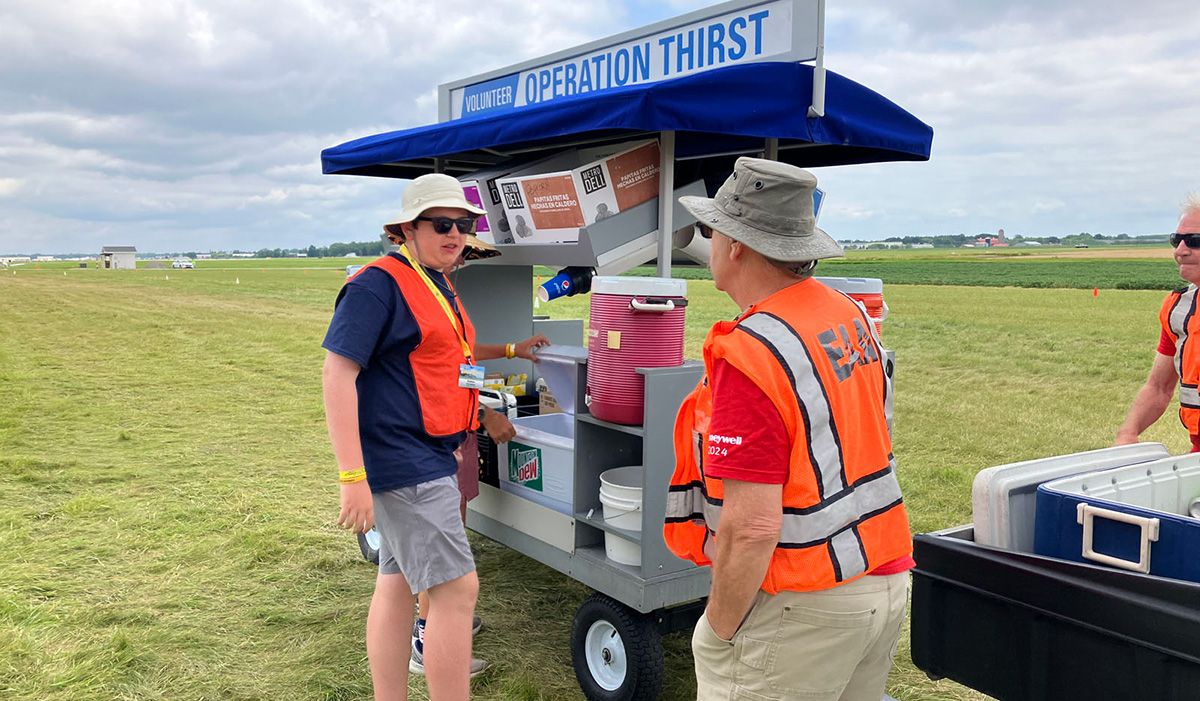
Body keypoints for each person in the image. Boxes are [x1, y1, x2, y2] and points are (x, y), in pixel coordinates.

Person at [663, 158, 915, 701]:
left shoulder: (753, 351)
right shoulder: (845, 312)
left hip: (804, 603)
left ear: (735, 245)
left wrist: (719, 628)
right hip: (883, 576)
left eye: (711, 231)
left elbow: (751, 527)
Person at [322, 173, 541, 700]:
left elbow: (451, 366)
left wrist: (487, 403)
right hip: (405, 459)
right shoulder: (377, 285)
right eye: (443, 224)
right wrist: (352, 475)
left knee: (397, 585)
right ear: (406, 230)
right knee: (457, 590)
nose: (456, 235)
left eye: (464, 225)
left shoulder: (438, 283)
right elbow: (337, 374)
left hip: (434, 453)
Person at [1116, 194, 1200, 450]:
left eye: (1194, 241)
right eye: (1177, 240)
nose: (1180, 251)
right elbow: (1159, 387)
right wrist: (1127, 434)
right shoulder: (1179, 309)